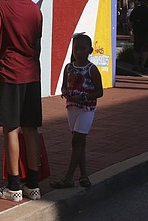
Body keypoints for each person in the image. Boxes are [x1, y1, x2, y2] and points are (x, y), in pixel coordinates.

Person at [0, 0, 44, 202]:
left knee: (10, 128)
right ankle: (33, 185)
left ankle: (13, 186)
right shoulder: (36, 11)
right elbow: (36, 44)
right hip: (32, 74)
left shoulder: (0, 7)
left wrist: (6, 47)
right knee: (31, 129)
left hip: (9, 73)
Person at [50, 33, 103, 189]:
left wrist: (84, 96)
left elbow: (99, 91)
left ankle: (68, 178)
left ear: (90, 50)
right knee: (80, 143)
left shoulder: (92, 69)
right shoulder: (69, 67)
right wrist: (65, 92)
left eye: (83, 49)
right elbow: (64, 85)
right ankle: (83, 175)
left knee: (76, 142)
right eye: (76, 49)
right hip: (71, 108)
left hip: (86, 109)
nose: (79, 52)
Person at [129, 0, 148, 71]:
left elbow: (131, 21)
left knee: (137, 49)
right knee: (145, 49)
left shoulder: (135, 10)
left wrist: (131, 30)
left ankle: (137, 65)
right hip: (146, 32)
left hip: (138, 31)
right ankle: (142, 65)